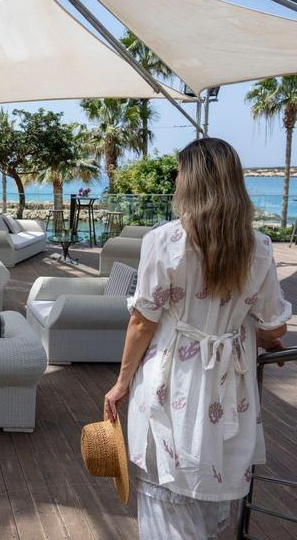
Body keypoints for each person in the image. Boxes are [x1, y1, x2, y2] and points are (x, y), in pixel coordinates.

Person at [103, 138, 291, 540]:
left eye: (178, 173)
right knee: (210, 482)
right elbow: (275, 325)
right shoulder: (258, 246)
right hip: (230, 385)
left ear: (191, 181)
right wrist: (248, 330)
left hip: (174, 378)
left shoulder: (165, 241)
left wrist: (121, 383)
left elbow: (143, 321)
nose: (174, 180)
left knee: (167, 491)